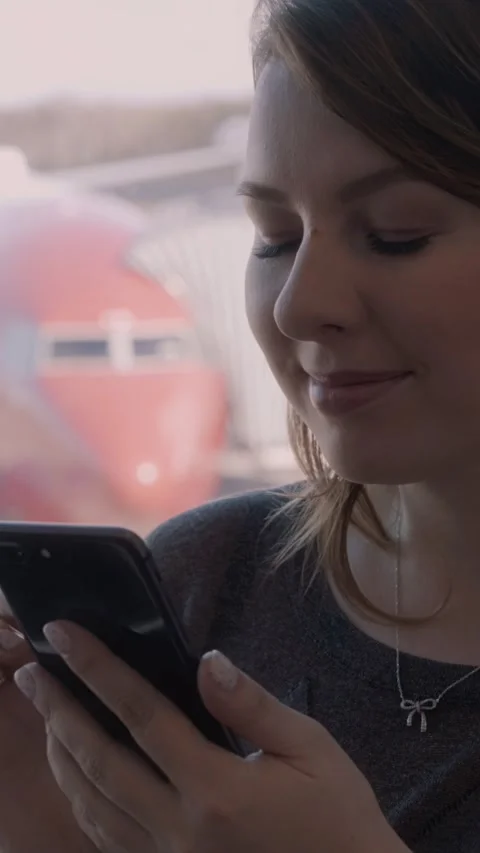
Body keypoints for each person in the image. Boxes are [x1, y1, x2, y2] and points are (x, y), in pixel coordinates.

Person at [1, 0, 480, 849]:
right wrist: (43, 815)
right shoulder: (200, 579)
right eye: (273, 236)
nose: (300, 305)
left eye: (393, 234)